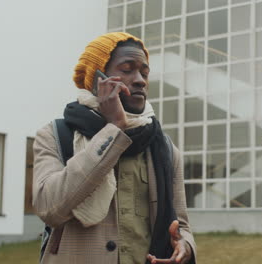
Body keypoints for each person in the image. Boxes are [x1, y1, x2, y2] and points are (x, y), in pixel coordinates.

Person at [32, 32, 196, 264]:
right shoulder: (55, 135)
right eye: (127, 69)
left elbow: (182, 224)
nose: (140, 80)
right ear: (96, 79)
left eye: (144, 73)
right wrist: (113, 129)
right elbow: (49, 208)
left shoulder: (164, 148)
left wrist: (185, 245)